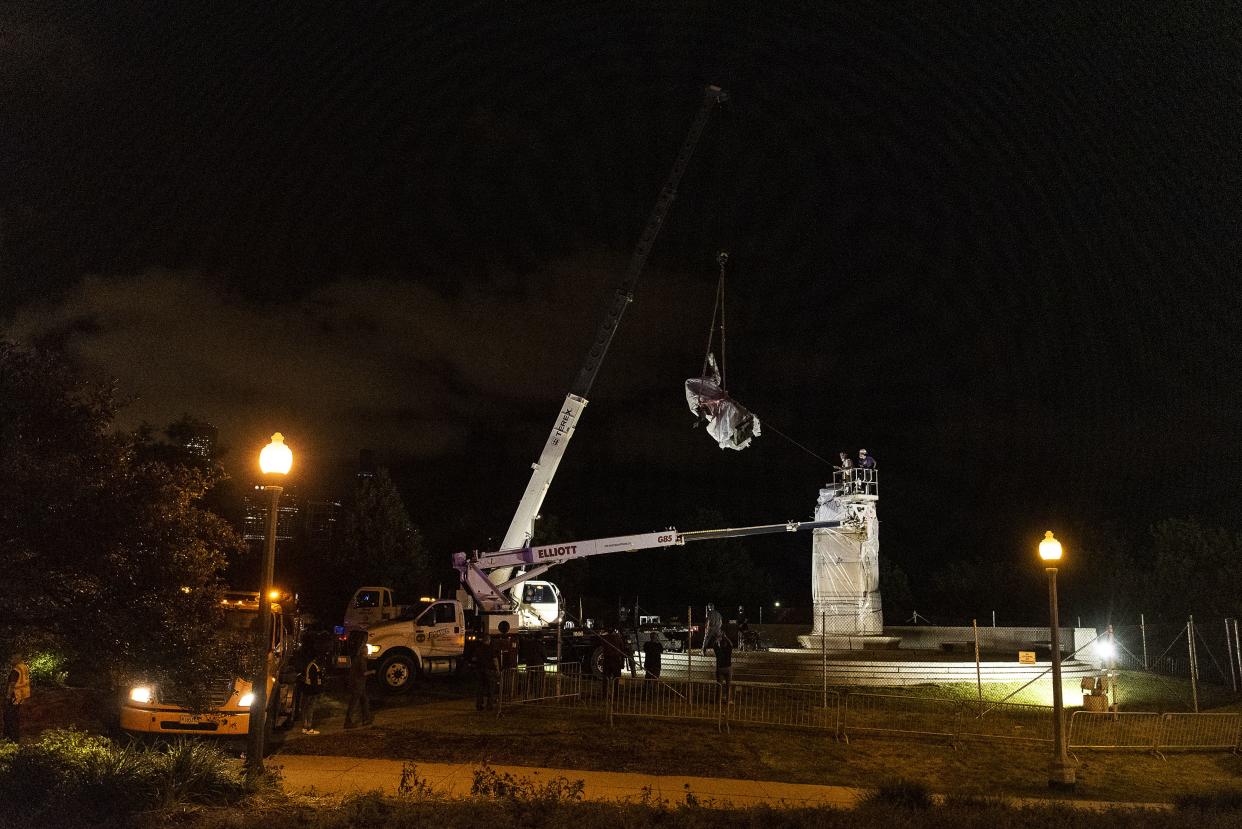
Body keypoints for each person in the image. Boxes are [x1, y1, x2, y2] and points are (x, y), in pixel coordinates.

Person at [343, 629, 373, 728]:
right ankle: (348, 722)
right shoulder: (362, 660)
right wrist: (373, 672)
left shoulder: (357, 658)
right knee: (354, 702)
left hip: (357, 683)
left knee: (364, 700)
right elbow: (364, 672)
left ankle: (366, 718)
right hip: (358, 684)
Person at [297, 633, 326, 735]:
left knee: (305, 708)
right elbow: (315, 680)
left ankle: (305, 727)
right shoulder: (314, 666)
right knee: (310, 708)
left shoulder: (309, 665)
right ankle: (308, 728)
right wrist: (318, 690)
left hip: (307, 689)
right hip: (311, 691)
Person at [4, 655, 30, 742]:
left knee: (9, 718)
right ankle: (14, 738)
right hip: (21, 697)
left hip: (14, 697)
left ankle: (11, 739)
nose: (11, 660)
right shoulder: (24, 667)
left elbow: (12, 684)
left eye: (12, 658)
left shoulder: (16, 670)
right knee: (15, 717)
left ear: (16, 659)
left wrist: (8, 697)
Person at [475, 632, 500, 711]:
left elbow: (474, 659)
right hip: (489, 670)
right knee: (491, 688)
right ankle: (489, 706)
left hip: (480, 670)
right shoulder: (491, 648)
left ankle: (479, 705)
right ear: (489, 640)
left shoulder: (478, 649)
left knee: (480, 688)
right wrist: (497, 670)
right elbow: (495, 660)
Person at [518, 633, 546, 697]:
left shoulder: (528, 644)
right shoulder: (540, 645)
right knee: (538, 682)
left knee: (529, 681)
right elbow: (544, 656)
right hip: (538, 666)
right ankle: (538, 696)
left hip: (529, 665)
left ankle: (527, 696)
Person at [600, 628, 624, 702]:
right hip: (615, 660)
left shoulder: (605, 638)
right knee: (615, 679)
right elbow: (622, 648)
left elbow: (603, 647)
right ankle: (615, 695)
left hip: (608, 660)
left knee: (606, 679)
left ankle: (605, 695)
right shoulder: (618, 638)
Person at [714, 634, 734, 704]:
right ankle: (728, 700)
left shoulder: (718, 651)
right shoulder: (728, 650)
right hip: (728, 668)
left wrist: (718, 638)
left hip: (720, 668)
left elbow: (715, 645)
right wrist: (726, 637)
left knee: (719, 685)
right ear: (726, 644)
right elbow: (731, 644)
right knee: (728, 685)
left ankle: (718, 700)